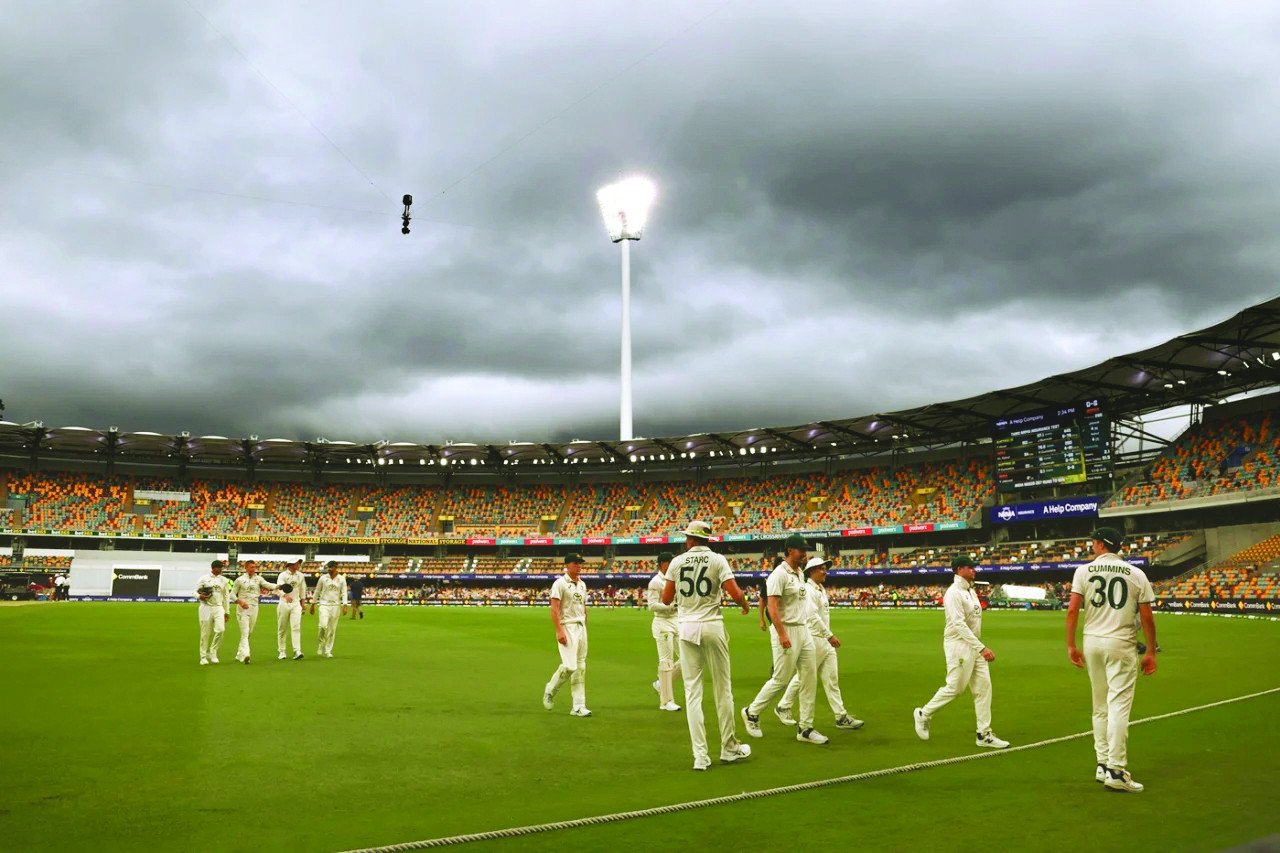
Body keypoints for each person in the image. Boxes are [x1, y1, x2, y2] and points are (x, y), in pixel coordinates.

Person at [1065, 527, 1157, 793]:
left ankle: (1103, 764)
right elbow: (1147, 617)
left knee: (1099, 706)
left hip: (1092, 642)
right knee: (1118, 707)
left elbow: (1073, 609)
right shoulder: (1136, 573)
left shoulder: (1083, 571)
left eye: (1093, 541)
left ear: (1100, 545)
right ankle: (1116, 770)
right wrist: (1150, 650)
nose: (1091, 545)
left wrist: (1071, 645)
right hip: (1121, 643)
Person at [660, 520, 753, 770]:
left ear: (691, 539)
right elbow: (734, 592)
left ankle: (700, 756)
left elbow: (666, 598)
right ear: (707, 540)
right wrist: (745, 605)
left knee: (692, 693)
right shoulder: (718, 559)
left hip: (687, 627)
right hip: (712, 624)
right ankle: (728, 747)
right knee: (723, 689)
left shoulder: (678, 562)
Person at [913, 555, 1010, 749]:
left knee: (983, 688)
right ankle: (923, 714)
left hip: (974, 645)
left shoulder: (970, 590)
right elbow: (958, 624)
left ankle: (984, 734)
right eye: (969, 567)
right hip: (958, 646)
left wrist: (978, 647)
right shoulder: (953, 593)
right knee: (955, 688)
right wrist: (981, 647)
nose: (974, 569)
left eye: (974, 567)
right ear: (958, 569)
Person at [742, 534, 827, 745]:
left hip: (803, 630)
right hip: (786, 630)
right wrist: (781, 634)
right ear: (790, 551)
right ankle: (751, 712)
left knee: (809, 677)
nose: (805, 555)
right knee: (781, 678)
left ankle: (805, 728)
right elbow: (772, 606)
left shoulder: (798, 573)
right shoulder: (778, 575)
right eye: (801, 551)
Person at [776, 556, 864, 731]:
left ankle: (841, 716)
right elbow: (812, 616)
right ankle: (783, 706)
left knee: (832, 680)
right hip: (814, 638)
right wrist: (829, 635)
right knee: (803, 677)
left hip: (824, 641)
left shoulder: (820, 589)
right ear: (811, 571)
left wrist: (828, 637)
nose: (825, 571)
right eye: (821, 569)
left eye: (825, 568)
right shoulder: (808, 590)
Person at [542, 554, 591, 716]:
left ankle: (578, 706)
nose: (579, 566)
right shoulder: (560, 583)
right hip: (567, 626)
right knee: (570, 666)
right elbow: (554, 609)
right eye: (576, 563)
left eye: (580, 563)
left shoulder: (582, 584)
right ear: (567, 565)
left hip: (581, 627)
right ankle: (550, 689)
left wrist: (585, 625)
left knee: (581, 667)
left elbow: (583, 607)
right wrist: (558, 631)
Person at [646, 552, 681, 712]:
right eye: (669, 562)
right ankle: (666, 702)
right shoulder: (656, 582)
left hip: (677, 621)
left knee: (687, 659)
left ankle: (661, 684)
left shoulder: (676, 579)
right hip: (662, 622)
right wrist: (670, 607)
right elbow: (652, 605)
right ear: (662, 564)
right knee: (666, 662)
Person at [231, 560, 277, 664]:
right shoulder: (239, 580)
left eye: (255, 567)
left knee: (249, 632)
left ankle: (239, 653)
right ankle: (246, 654)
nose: (253, 569)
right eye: (251, 567)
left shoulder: (258, 579)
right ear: (246, 568)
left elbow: (268, 585)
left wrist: (279, 586)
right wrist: (240, 602)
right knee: (245, 632)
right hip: (243, 608)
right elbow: (232, 594)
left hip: (255, 607)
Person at [195, 559, 231, 665]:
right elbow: (194, 591)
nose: (221, 570)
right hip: (205, 607)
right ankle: (203, 656)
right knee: (205, 633)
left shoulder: (223, 580)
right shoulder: (204, 579)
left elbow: (226, 596)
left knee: (220, 630)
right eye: (219, 567)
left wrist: (227, 611)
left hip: (218, 607)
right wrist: (199, 596)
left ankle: (213, 651)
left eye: (221, 568)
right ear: (213, 568)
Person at [310, 561, 349, 658]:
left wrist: (345, 605)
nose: (329, 569)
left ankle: (328, 650)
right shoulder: (323, 578)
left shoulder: (341, 579)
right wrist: (313, 604)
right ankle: (320, 644)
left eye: (331, 567)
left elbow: (344, 592)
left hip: (335, 606)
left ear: (336, 568)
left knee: (332, 630)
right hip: (324, 604)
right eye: (328, 567)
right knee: (323, 626)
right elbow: (317, 591)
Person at [275, 559, 307, 660]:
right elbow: (278, 588)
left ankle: (297, 651)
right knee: (282, 628)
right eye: (298, 563)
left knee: (296, 627)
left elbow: (302, 589)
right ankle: (282, 651)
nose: (299, 565)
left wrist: (303, 602)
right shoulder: (282, 575)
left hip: (296, 603)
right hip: (284, 603)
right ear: (292, 564)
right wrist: (285, 595)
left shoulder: (300, 575)